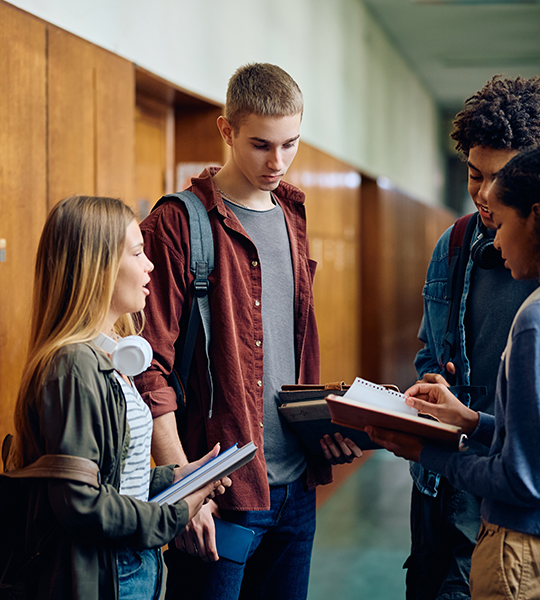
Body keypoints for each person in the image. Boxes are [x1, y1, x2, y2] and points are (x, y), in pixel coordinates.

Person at [135, 63, 360, 600]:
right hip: (220, 497)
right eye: (261, 145)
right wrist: (185, 491)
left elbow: (292, 351)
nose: (277, 162)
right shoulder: (177, 222)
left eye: (291, 144)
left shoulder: (293, 215)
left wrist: (324, 427)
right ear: (226, 130)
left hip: (295, 490)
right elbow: (149, 368)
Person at [370, 141, 540, 599]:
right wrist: (470, 420)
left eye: (504, 222)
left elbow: (529, 482)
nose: (494, 241)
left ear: (536, 218)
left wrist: (427, 453)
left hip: (523, 557)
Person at [8, 195, 229, 600]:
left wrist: (176, 477)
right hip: (110, 576)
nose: (150, 266)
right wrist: (176, 513)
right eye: (139, 252)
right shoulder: (74, 366)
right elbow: (81, 504)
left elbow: (113, 477)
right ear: (100, 268)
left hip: (130, 567)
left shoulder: (103, 355)